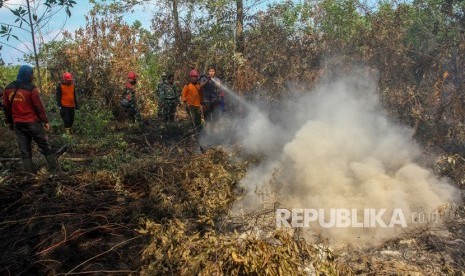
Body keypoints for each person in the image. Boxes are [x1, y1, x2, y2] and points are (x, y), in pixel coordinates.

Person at [2, 65, 57, 173]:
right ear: (28, 75)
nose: (33, 76)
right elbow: (39, 107)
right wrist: (45, 121)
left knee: (25, 149)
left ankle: (30, 174)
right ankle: (54, 169)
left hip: (18, 124)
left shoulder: (8, 88)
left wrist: (9, 122)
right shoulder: (31, 89)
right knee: (45, 145)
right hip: (33, 123)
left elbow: (6, 107)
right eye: (32, 74)